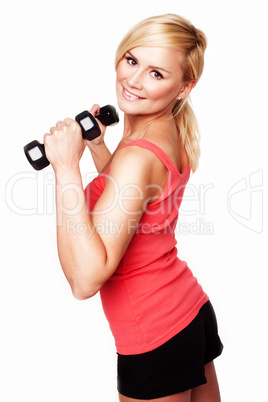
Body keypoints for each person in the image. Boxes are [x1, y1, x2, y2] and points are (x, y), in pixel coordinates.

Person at [44, 13, 223, 402]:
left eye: (157, 74)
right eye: (132, 60)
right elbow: (134, 201)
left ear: (184, 87)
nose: (134, 80)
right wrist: (98, 150)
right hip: (188, 312)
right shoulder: (166, 131)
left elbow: (85, 280)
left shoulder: (137, 157)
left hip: (154, 333)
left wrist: (65, 170)